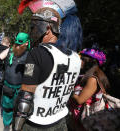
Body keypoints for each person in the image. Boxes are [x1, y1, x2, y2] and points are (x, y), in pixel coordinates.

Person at [13, 0, 83, 131]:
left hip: (36, 124)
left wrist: (17, 127)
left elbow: (25, 99)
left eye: (35, 26)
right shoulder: (75, 57)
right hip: (61, 121)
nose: (32, 31)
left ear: (48, 28)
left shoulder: (37, 53)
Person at [68, 48, 110, 131]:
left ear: (92, 62)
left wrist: (68, 90)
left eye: (83, 59)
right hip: (79, 120)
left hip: (85, 121)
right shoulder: (86, 75)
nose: (80, 61)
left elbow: (80, 100)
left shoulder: (93, 79)